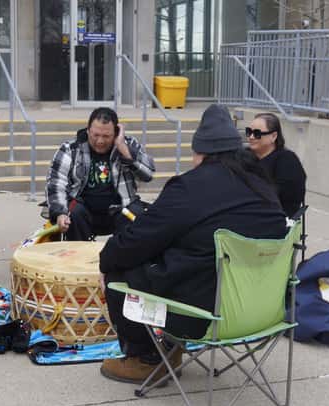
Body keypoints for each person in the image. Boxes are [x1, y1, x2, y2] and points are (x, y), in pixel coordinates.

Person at [98, 105, 287, 384]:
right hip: (263, 311)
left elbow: (137, 240)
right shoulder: (263, 186)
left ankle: (146, 358)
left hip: (202, 317)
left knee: (119, 270)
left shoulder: (191, 187)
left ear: (201, 153)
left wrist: (106, 259)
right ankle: (168, 351)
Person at [46, 107, 155, 241]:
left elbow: (148, 174)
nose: (100, 141)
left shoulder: (128, 145)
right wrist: (59, 213)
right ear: (88, 130)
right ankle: (78, 258)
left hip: (121, 209)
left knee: (136, 215)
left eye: (106, 136)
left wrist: (124, 150)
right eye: (95, 135)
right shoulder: (70, 149)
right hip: (83, 210)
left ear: (115, 133)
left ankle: (124, 260)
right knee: (72, 213)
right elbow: (56, 183)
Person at [246, 113, 307, 218]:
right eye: (249, 132)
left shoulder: (287, 161)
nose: (251, 137)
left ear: (273, 136)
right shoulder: (244, 156)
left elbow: (287, 197)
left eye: (257, 133)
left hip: (276, 219)